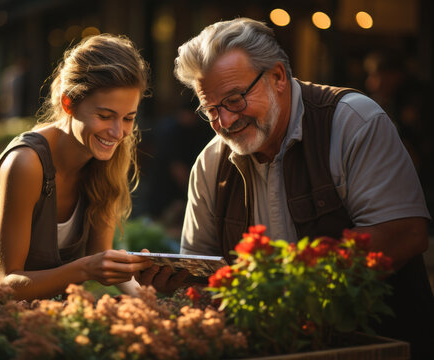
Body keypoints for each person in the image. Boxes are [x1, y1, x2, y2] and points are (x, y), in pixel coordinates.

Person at [139, 18, 433, 358]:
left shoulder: (354, 121)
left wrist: (283, 291)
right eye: (211, 109)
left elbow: (405, 233)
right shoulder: (210, 164)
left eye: (235, 99)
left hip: (373, 345)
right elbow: (200, 269)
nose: (226, 121)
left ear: (278, 77)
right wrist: (180, 283)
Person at [0, 34, 153, 302]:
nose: (117, 132)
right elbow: (7, 283)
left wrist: (146, 291)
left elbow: (100, 255)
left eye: (128, 118)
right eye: (104, 116)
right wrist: (86, 268)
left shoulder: (107, 158)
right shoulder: (26, 163)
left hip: (41, 326)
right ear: (69, 104)